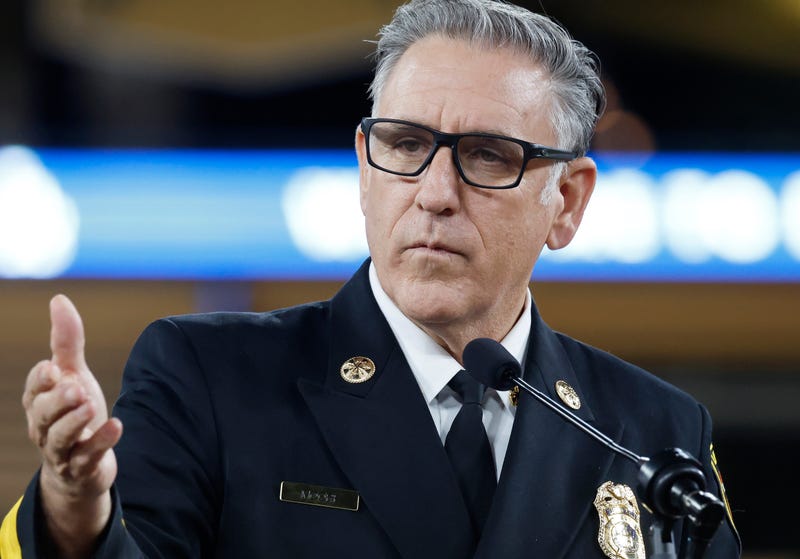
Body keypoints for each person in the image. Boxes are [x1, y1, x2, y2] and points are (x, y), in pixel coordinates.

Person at [2, 0, 740, 557]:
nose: (435, 191)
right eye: (406, 144)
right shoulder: (208, 376)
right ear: (364, 168)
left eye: (487, 155)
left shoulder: (656, 432)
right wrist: (74, 508)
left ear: (568, 201)